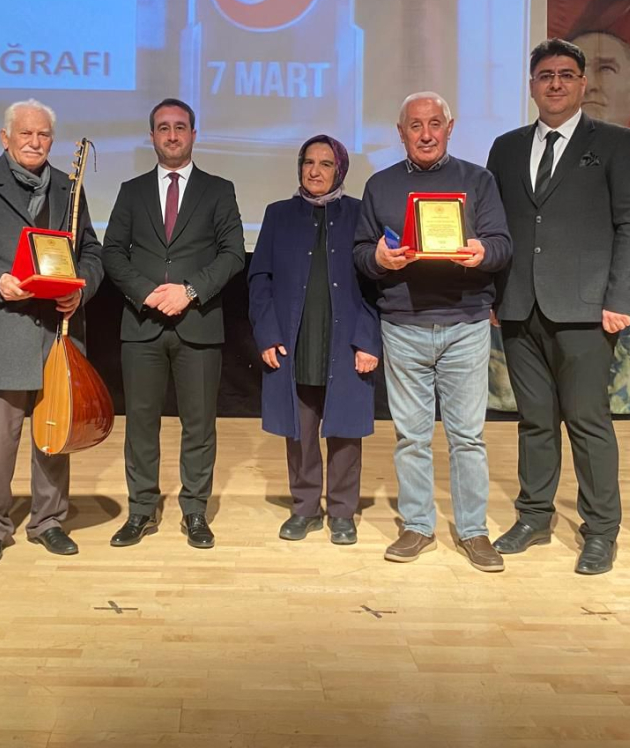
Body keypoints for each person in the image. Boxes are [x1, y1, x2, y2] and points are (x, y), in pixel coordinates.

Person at [485, 40, 630, 575]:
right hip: (518, 306)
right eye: (544, 75)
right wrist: (492, 295)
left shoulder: (615, 143)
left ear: (581, 84)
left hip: (587, 310)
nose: (554, 83)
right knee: (534, 420)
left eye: (564, 75)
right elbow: (493, 227)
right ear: (532, 85)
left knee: (586, 421)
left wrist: (619, 299)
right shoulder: (506, 148)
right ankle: (534, 517)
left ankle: (600, 531)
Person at [354, 92, 512, 567]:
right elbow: (360, 252)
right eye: (416, 125)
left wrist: (482, 252)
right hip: (403, 324)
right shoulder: (380, 185)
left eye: (435, 123)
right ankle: (418, 525)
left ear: (450, 127)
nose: (426, 134)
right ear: (401, 132)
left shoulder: (479, 180)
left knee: (468, 436)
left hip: (466, 323)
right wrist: (379, 258)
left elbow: (502, 244)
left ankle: (473, 531)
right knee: (411, 437)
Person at [0, 99, 104, 565]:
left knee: (55, 435)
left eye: (43, 135)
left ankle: (48, 521)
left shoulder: (69, 188)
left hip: (56, 333)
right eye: (25, 134)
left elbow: (91, 252)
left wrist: (80, 289)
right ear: (5, 138)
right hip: (1, 330)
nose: (35, 142)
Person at [102, 98, 245, 549]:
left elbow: (233, 254)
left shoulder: (218, 190)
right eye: (163, 127)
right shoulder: (131, 191)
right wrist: (146, 292)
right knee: (141, 424)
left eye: (180, 127)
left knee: (199, 425)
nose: (172, 135)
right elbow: (111, 252)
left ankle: (195, 511)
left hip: (198, 322)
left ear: (194, 134)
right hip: (141, 323)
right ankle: (141, 510)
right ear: (152, 136)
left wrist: (189, 291)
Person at [249, 135, 381, 545]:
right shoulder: (278, 214)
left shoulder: (360, 214)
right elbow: (260, 279)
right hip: (296, 338)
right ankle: (305, 508)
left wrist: (368, 340)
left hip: (346, 340)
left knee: (345, 429)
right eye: (309, 162)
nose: (315, 171)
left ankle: (342, 512)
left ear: (340, 170)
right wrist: (267, 334)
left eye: (326, 163)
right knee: (300, 429)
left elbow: (378, 285)